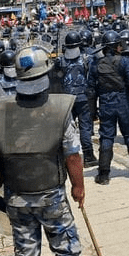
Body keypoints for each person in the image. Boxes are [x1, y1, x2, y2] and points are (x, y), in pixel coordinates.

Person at [0, 45, 85, 256]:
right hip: (51, 197)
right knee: (67, 251)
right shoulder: (60, 109)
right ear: (46, 72)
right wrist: (78, 187)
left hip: (16, 197)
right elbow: (72, 156)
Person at [86, 30, 129, 184]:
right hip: (124, 103)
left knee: (106, 137)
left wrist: (92, 112)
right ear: (115, 46)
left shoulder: (96, 64)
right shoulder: (125, 62)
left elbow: (90, 89)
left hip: (106, 103)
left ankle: (104, 175)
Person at [57, 31, 97, 167]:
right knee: (85, 127)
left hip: (67, 99)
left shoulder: (60, 61)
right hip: (83, 98)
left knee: (67, 129)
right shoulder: (87, 58)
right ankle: (89, 157)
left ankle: (67, 157)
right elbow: (92, 77)